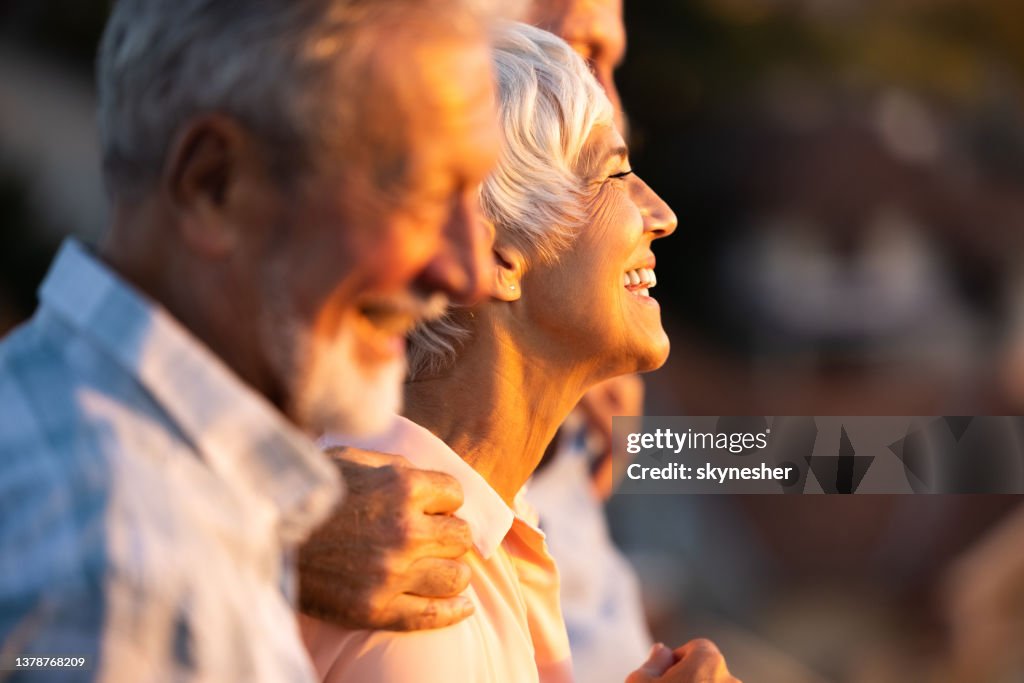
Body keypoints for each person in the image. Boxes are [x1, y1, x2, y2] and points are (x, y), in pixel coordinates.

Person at [0, 0, 499, 679]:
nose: (468, 272)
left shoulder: (68, 434)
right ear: (215, 184)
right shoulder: (139, 578)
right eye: (422, 192)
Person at [300, 21, 739, 683]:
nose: (661, 212)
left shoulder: (481, 536)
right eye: (615, 173)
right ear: (493, 254)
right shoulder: (399, 572)